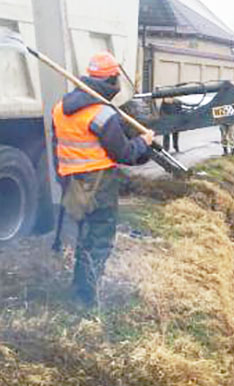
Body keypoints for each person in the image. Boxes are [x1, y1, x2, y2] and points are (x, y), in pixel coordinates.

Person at [52, 51, 155, 307]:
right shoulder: (101, 114)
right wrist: (144, 142)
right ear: (111, 80)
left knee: (85, 236)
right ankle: (85, 299)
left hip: (73, 183)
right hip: (99, 185)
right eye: (117, 78)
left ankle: (80, 288)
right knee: (98, 241)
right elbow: (125, 154)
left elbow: (60, 147)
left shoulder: (60, 109)